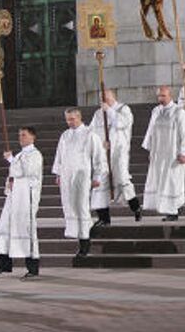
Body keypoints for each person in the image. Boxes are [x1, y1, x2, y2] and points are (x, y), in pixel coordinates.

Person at [53, 109, 108, 259]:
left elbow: (99, 158)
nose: (69, 122)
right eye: (67, 120)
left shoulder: (90, 135)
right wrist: (58, 173)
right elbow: (59, 155)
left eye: (72, 119)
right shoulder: (65, 135)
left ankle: (85, 243)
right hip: (66, 176)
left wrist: (97, 177)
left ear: (79, 117)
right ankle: (78, 236)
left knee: (81, 207)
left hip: (81, 176)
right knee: (70, 207)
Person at [0, 126, 43, 278]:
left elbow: (27, 171)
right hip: (14, 197)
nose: (21, 138)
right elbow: (13, 175)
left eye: (24, 135)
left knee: (26, 229)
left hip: (26, 197)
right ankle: (4, 264)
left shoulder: (35, 154)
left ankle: (32, 268)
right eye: (19, 135)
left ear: (32, 137)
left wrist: (11, 160)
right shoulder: (20, 155)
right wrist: (9, 183)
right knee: (5, 227)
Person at [142, 86, 185, 222]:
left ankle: (174, 210)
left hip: (173, 154)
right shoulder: (156, 111)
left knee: (172, 181)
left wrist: (184, 152)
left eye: (163, 96)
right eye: (159, 96)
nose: (161, 98)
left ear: (170, 96)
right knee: (161, 181)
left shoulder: (178, 112)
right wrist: (150, 149)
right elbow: (150, 131)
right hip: (159, 153)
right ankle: (168, 210)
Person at [89, 91, 141, 225]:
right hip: (103, 153)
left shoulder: (124, 109)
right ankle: (103, 218)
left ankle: (135, 207)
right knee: (100, 182)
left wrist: (110, 111)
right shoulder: (98, 114)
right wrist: (100, 143)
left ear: (113, 97)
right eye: (102, 98)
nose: (104, 100)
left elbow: (122, 123)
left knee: (123, 178)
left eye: (107, 97)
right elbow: (92, 132)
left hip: (119, 152)